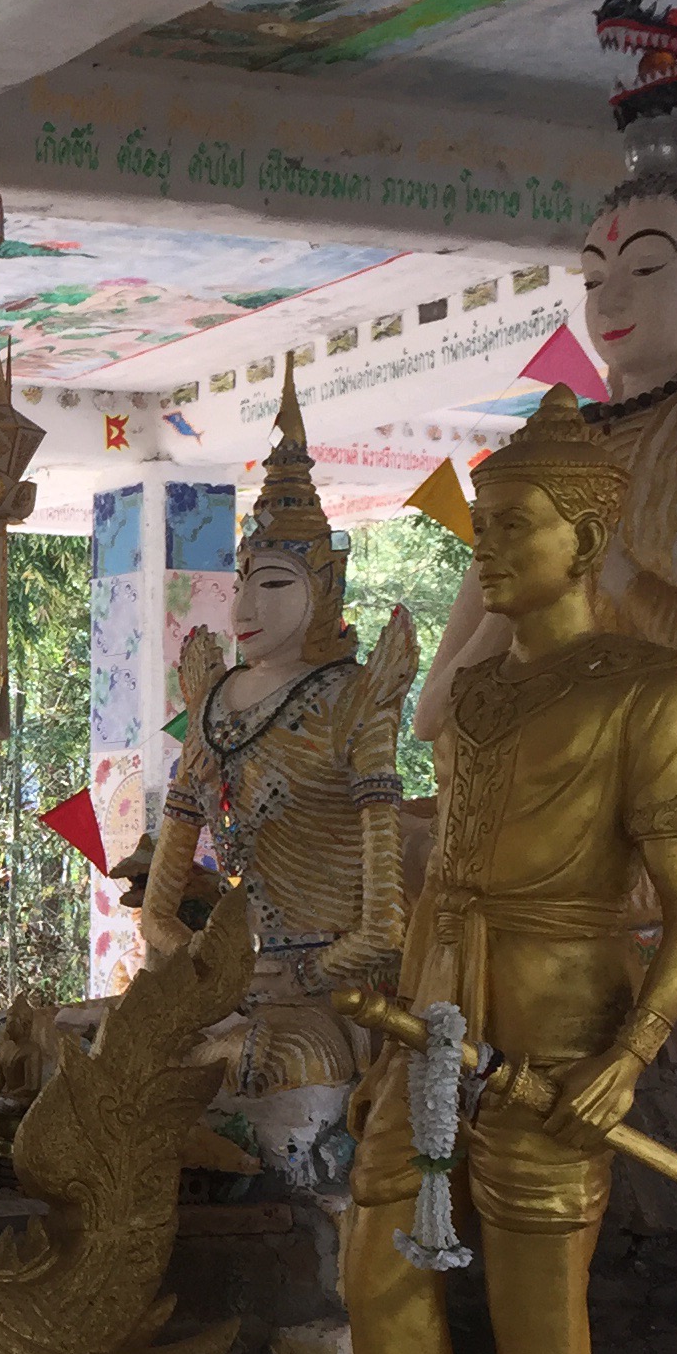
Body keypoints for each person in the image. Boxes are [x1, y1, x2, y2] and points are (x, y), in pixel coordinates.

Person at [258, 393, 677, 1354]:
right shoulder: (473, 697)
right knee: (381, 1279)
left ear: (587, 542)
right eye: (484, 530)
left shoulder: (651, 690)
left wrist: (632, 1054)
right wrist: (391, 976)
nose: (491, 552)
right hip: (433, 1018)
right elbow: (447, 862)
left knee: (537, 1311)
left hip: (560, 1022)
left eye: (517, 528)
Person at [140, 363, 413, 1090]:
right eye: (242, 583)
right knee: (91, 1043)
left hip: (329, 996)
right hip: (228, 988)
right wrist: (204, 966)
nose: (245, 610)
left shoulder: (355, 701)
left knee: (271, 1062)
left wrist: (301, 974)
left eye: (274, 584)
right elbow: (158, 912)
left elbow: (385, 925)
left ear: (325, 587)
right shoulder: (213, 702)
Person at [416, 174, 677, 742]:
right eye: (593, 279)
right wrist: (516, 597)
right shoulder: (545, 457)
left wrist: (616, 572)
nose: (608, 301)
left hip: (676, 762)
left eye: (645, 268)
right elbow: (433, 716)